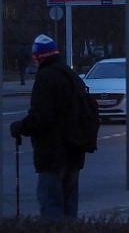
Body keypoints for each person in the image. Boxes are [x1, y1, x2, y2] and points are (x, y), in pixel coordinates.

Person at [10, 35, 86, 219]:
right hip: (74, 150)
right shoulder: (71, 75)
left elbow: (41, 117)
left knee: (51, 204)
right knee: (69, 206)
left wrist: (20, 127)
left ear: (38, 57)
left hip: (52, 153)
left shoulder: (45, 78)